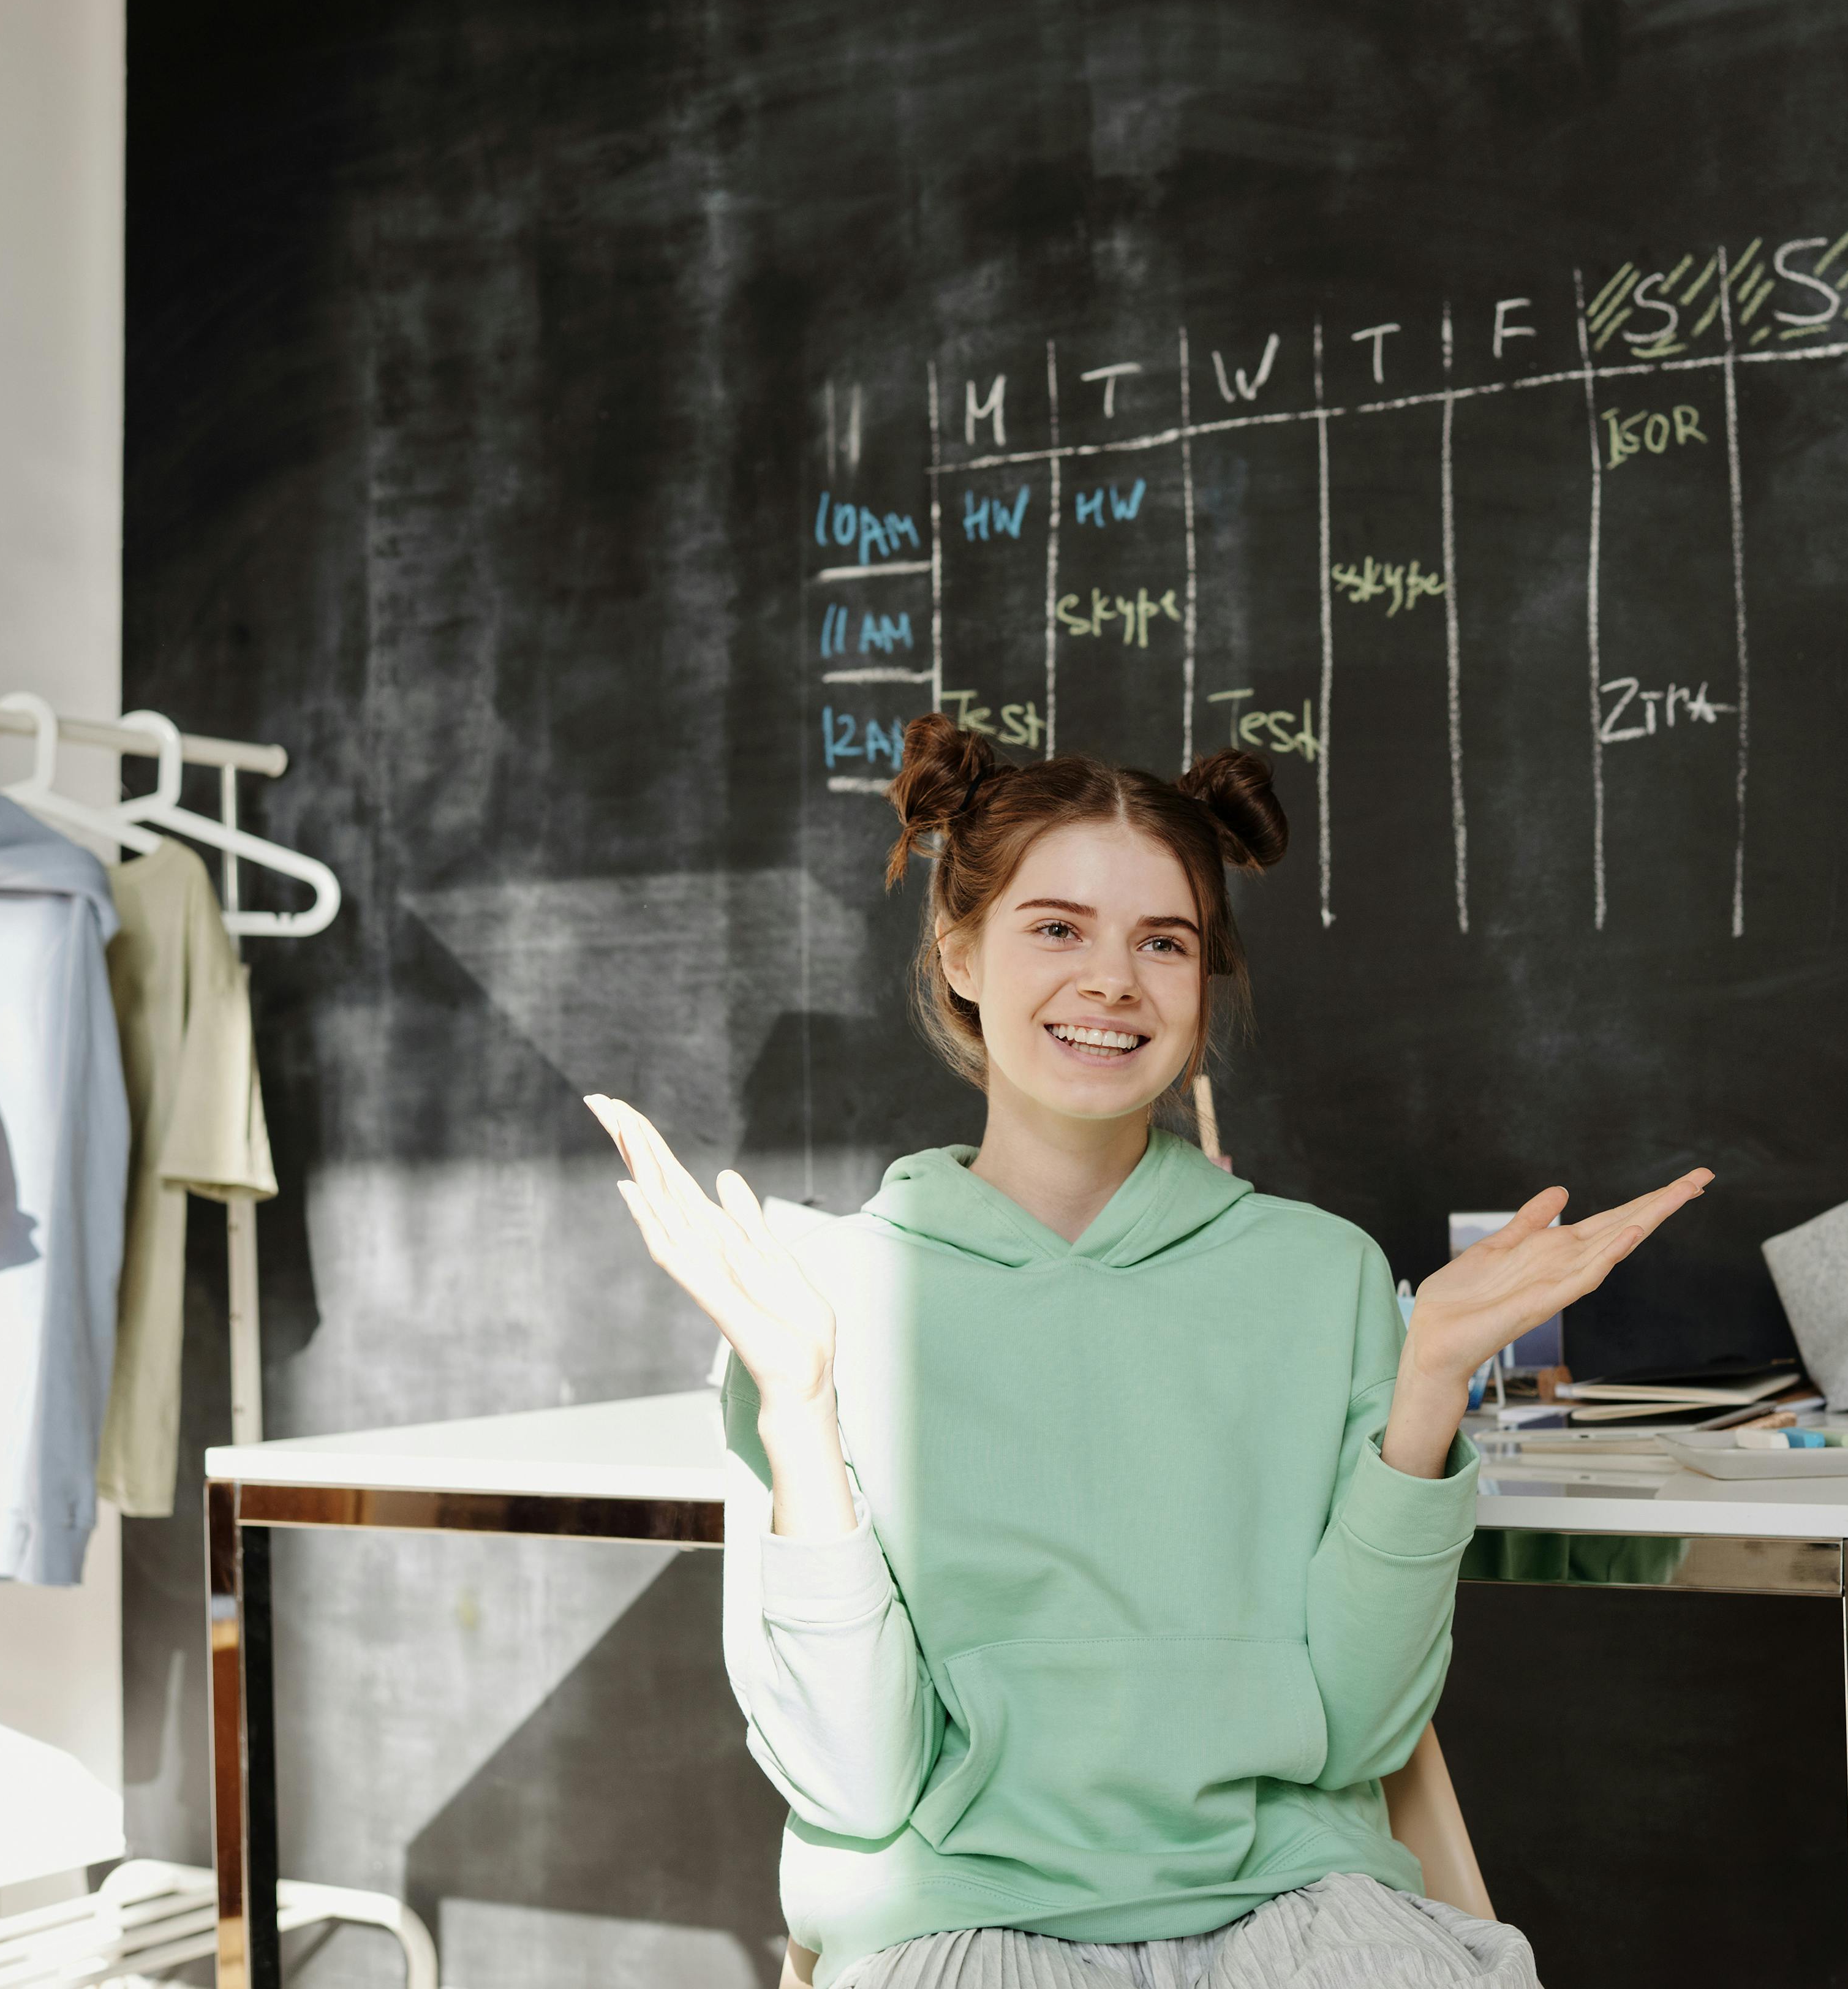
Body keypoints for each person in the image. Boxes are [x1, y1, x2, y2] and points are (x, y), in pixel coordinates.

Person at [591, 712, 1710, 1989]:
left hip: (1293, 1904)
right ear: (957, 948)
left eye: (1162, 941)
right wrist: (793, 1405)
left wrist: (1429, 1379)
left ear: (1202, 975)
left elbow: (1357, 1726)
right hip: (963, 1922)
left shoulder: (1319, 1273)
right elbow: (855, 1777)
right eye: (1055, 926)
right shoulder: (822, 1300)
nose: (1112, 979)